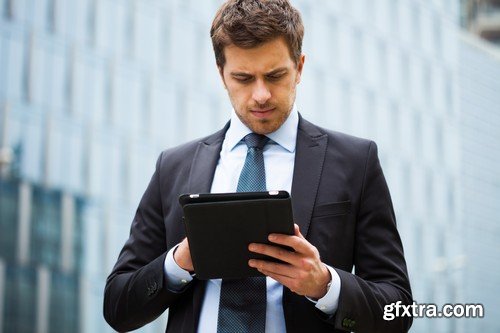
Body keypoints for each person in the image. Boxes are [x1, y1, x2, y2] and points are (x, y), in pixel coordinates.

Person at [103, 0, 413, 332]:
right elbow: (118, 306)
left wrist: (325, 284)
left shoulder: (356, 162)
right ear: (221, 74)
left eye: (275, 75)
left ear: (300, 67)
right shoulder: (173, 166)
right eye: (244, 78)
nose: (261, 94)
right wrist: (180, 262)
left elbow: (398, 309)